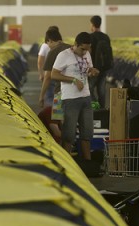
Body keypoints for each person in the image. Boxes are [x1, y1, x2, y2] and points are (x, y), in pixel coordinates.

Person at [51, 32, 99, 160]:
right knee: (68, 135)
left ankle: (88, 163)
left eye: (87, 49)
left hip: (86, 97)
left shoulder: (87, 54)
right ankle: (66, 162)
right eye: (82, 49)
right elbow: (54, 74)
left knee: (87, 133)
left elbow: (87, 69)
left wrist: (92, 71)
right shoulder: (64, 55)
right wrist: (73, 80)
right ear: (75, 45)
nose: (85, 52)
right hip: (70, 99)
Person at [38, 27, 71, 108]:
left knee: (57, 118)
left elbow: (47, 77)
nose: (48, 46)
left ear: (50, 40)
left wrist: (41, 96)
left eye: (47, 43)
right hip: (77, 91)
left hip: (60, 92)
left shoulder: (53, 52)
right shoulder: (71, 48)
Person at [89, 15, 113, 109]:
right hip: (104, 68)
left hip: (94, 68)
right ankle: (102, 110)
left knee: (89, 89)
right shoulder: (106, 37)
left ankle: (96, 105)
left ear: (92, 25)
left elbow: (89, 52)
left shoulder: (91, 37)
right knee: (102, 91)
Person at [37, 26, 59, 107]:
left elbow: (40, 61)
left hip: (50, 75)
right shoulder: (65, 47)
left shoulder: (46, 47)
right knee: (58, 98)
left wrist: (41, 74)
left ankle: (54, 116)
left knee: (50, 97)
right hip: (61, 78)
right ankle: (58, 116)